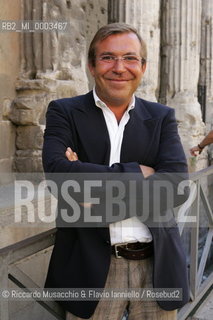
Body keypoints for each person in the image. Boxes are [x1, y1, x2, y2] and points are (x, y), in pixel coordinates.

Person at [42, 23, 189, 320]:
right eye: (108, 57)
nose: (119, 68)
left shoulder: (161, 117)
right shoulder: (64, 111)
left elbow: (175, 185)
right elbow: (59, 175)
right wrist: (141, 173)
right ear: (91, 66)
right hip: (90, 269)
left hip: (156, 266)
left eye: (130, 58)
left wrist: (92, 200)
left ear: (143, 67)